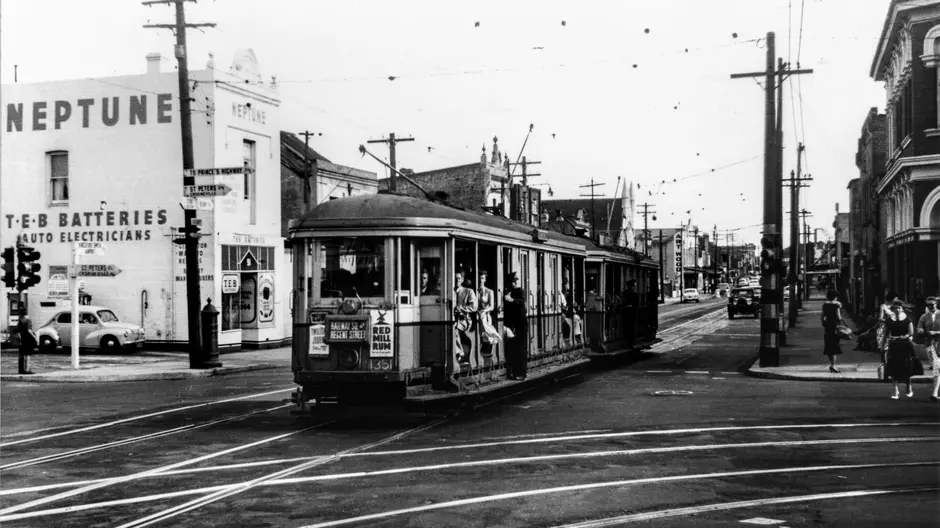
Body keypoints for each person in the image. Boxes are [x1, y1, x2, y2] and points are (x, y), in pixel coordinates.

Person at [881, 298, 922, 399]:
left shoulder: (908, 319)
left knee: (906, 367)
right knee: (893, 367)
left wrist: (906, 336)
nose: (897, 310)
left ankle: (908, 386)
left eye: (899, 308)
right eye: (895, 308)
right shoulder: (889, 321)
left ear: (902, 309)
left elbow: (911, 332)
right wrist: (882, 346)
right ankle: (895, 391)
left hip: (905, 346)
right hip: (893, 346)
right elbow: (885, 335)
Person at [503, 272, 528, 380]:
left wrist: (512, 300)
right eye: (513, 281)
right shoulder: (507, 291)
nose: (515, 283)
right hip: (512, 323)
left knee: (521, 348)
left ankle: (522, 373)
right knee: (513, 349)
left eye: (515, 281)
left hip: (520, 323)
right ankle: (514, 372)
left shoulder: (519, 291)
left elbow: (522, 301)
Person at [915, 296, 940, 403]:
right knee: (937, 367)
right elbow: (919, 329)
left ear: (936, 304)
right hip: (930, 345)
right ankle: (935, 393)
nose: (931, 307)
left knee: (937, 368)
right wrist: (922, 331)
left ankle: (935, 393)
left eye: (932, 305)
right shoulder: (924, 317)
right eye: (928, 305)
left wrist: (937, 332)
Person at [453, 270, 477, 366]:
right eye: (454, 278)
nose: (456, 281)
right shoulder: (449, 292)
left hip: (464, 320)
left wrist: (461, 309)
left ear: (462, 280)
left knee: (454, 329)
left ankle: (459, 352)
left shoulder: (468, 291)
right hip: (453, 319)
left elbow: (474, 307)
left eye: (458, 278)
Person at [821, 290, 843, 373]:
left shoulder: (825, 305)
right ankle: (833, 366)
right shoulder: (836, 306)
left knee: (829, 345)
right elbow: (839, 317)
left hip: (827, 327)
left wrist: (825, 323)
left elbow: (822, 317)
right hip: (835, 326)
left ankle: (832, 364)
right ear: (835, 297)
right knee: (834, 346)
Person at [477, 270, 497, 361]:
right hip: (477, 315)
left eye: (482, 278)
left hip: (485, 315)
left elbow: (492, 306)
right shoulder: (475, 291)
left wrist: (484, 311)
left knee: (485, 331)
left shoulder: (489, 291)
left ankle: (487, 351)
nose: (480, 280)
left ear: (485, 280)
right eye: (479, 278)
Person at [623, 280, 640, 348]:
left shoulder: (635, 295)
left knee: (631, 328)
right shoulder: (625, 293)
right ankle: (628, 342)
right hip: (626, 313)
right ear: (628, 286)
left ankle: (631, 342)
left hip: (631, 313)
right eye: (632, 286)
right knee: (627, 328)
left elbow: (636, 304)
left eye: (633, 286)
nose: (633, 288)